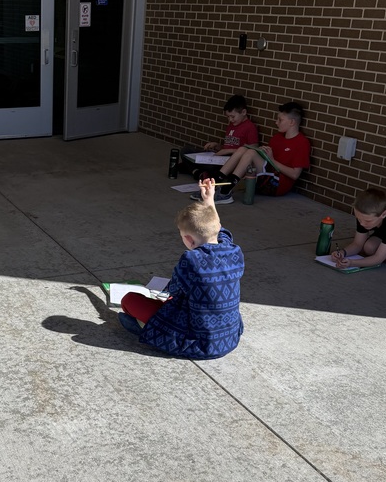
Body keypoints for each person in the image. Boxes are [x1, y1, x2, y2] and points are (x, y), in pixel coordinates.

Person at [119, 177, 244, 359]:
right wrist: (209, 201)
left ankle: (147, 329)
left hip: (196, 340)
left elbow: (174, 291)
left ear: (188, 240)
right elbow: (218, 229)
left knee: (129, 300)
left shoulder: (191, 258)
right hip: (228, 338)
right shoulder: (234, 250)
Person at [197, 101, 310, 205]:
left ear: (292, 122)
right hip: (265, 176)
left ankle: (225, 191)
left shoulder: (302, 142)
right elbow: (266, 161)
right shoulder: (277, 138)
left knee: (251, 153)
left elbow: (295, 175)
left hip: (278, 185)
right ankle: (214, 185)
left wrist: (271, 159)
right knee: (243, 149)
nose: (276, 123)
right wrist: (262, 152)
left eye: (280, 120)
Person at [331, 188, 386, 269]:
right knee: (369, 247)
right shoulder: (363, 215)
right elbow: (357, 244)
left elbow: (378, 258)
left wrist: (352, 263)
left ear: (383, 214)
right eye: (359, 219)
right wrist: (342, 253)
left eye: (368, 221)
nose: (362, 223)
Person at [180, 94, 259, 175]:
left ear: (243, 112)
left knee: (210, 167)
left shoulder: (250, 127)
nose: (230, 120)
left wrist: (227, 151)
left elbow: (254, 150)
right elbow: (227, 146)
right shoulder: (232, 125)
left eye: (232, 116)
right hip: (220, 156)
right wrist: (216, 146)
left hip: (231, 162)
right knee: (185, 151)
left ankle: (194, 170)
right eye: (228, 117)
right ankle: (197, 171)